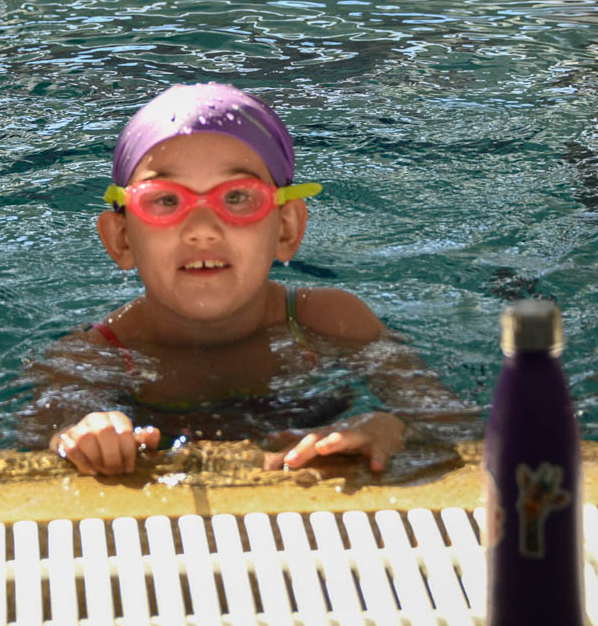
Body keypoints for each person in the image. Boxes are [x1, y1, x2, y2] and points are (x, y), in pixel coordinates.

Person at [34, 83, 442, 477]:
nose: (202, 229)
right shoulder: (88, 360)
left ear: (286, 228)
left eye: (237, 197)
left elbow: (450, 422)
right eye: (165, 200)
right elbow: (37, 445)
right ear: (121, 238)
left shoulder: (330, 322)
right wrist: (80, 436)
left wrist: (391, 427)